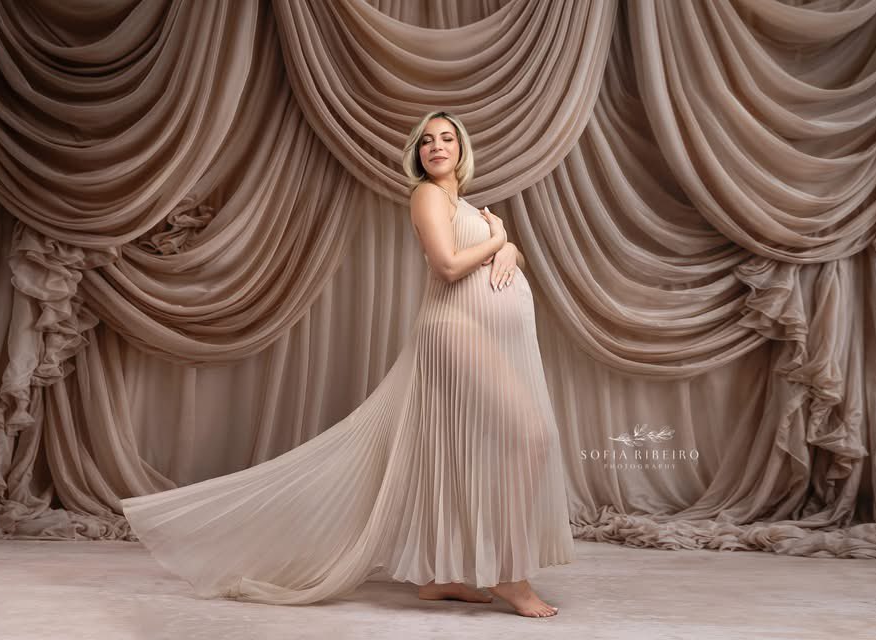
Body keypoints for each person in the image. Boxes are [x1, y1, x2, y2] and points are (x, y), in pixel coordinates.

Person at [120, 111, 575, 618]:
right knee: (531, 436)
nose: (436, 147)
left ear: (463, 149)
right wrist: (498, 239)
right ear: (417, 155)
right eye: (426, 141)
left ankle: (442, 577)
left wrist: (510, 247)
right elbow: (447, 267)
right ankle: (509, 576)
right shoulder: (426, 194)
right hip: (454, 331)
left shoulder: (461, 201)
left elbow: (497, 261)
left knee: (447, 450)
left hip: (476, 331)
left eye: (447, 138)